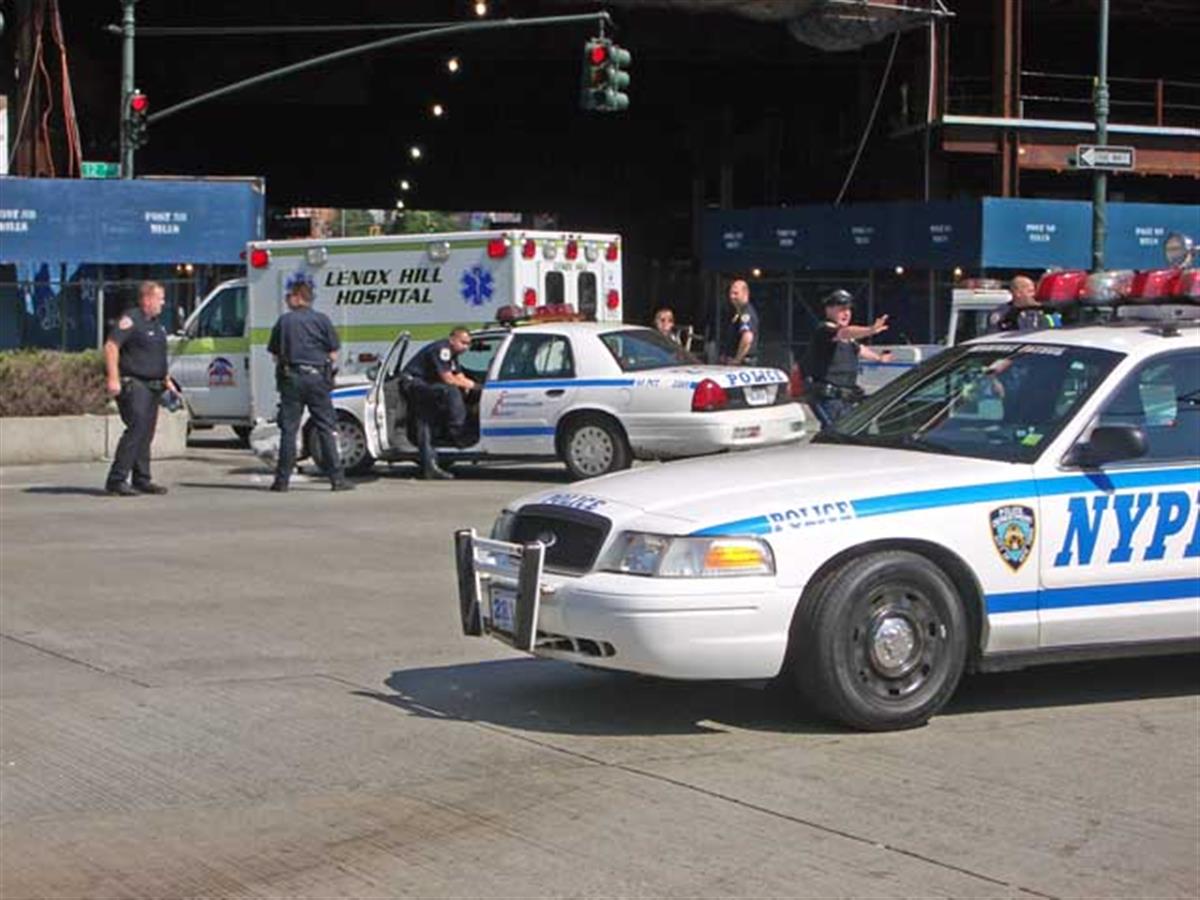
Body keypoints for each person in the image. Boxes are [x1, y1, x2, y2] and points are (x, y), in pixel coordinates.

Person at [267, 272, 353, 492]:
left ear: (297, 297)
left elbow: (275, 355)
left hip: (291, 379)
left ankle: (282, 481)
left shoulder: (284, 321)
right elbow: (333, 353)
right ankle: (337, 479)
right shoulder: (322, 320)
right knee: (325, 428)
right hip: (317, 379)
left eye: (288, 296)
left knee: (289, 431)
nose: (286, 299)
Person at [103, 281, 181, 496]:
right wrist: (113, 378)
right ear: (147, 299)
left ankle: (141, 478)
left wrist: (166, 380)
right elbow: (111, 346)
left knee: (146, 432)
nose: (163, 303)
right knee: (136, 428)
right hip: (135, 383)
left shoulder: (156, 324)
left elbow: (155, 356)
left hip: (154, 385)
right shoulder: (131, 319)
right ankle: (116, 479)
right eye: (160, 298)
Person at [806, 289, 892, 429]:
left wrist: (879, 358)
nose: (846, 313)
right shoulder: (825, 330)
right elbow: (844, 333)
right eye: (841, 309)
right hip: (829, 398)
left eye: (848, 309)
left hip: (846, 398)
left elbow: (859, 348)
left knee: (849, 431)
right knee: (839, 433)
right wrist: (871, 330)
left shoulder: (849, 339)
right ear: (828, 310)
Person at [402, 326, 477, 480]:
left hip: (428, 385)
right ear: (452, 339)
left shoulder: (453, 354)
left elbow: (459, 376)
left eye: (468, 344)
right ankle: (457, 431)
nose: (466, 347)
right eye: (463, 343)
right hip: (414, 383)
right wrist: (473, 386)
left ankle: (434, 459)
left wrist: (476, 387)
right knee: (448, 393)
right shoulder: (442, 349)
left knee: (447, 397)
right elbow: (448, 379)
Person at [989, 275, 1061, 332]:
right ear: (1018, 293)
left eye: (1034, 291)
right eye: (1030, 291)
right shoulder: (1002, 314)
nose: (1034, 295)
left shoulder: (1041, 312)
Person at [720, 279, 759, 365]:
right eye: (730, 293)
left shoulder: (746, 312)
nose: (732, 296)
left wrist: (737, 360)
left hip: (743, 364)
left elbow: (747, 337)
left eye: (736, 293)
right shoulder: (737, 312)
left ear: (745, 294)